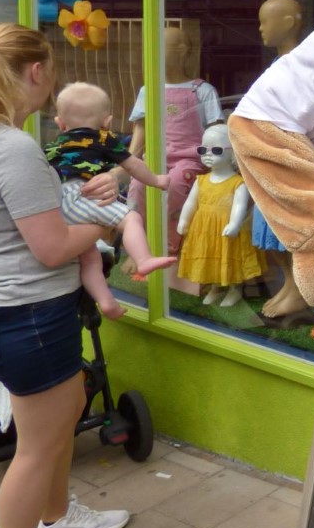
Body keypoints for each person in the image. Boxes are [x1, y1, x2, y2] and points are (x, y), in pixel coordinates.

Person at [0, 24, 130, 528]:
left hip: (9, 311)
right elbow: (52, 248)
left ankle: (60, 519)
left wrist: (79, 201)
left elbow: (23, 224)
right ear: (37, 72)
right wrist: (108, 220)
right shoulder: (11, 148)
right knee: (37, 448)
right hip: (26, 319)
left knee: (66, 408)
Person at [44, 82, 177, 318]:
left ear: (60, 123)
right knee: (132, 218)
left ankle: (106, 302)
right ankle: (143, 259)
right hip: (83, 195)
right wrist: (156, 180)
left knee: (90, 258)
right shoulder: (104, 138)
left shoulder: (52, 146)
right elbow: (133, 164)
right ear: (107, 121)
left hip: (58, 204)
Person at [127, 25, 222, 258]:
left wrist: (218, 166)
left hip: (190, 160)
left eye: (161, 47)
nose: (153, 53)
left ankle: (169, 247)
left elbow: (216, 129)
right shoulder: (148, 90)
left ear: (181, 50)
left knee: (176, 185)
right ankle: (137, 249)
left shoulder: (202, 90)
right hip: (155, 158)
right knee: (137, 188)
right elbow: (141, 126)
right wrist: (129, 160)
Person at [252, 0, 309, 318]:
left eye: (265, 21)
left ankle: (299, 290)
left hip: (290, 155)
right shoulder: (280, 64)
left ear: (287, 23)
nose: (260, 29)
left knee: (286, 229)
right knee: (269, 227)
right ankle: (290, 284)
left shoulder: (299, 63)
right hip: (272, 154)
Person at [175, 123, 260, 307]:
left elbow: (239, 206)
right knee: (210, 257)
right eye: (203, 149)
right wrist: (183, 219)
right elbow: (191, 202)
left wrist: (235, 224)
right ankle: (215, 287)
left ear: (232, 152)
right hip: (204, 229)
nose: (207, 154)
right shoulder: (201, 180)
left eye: (216, 150)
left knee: (229, 259)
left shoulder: (238, 183)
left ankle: (235, 289)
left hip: (226, 229)